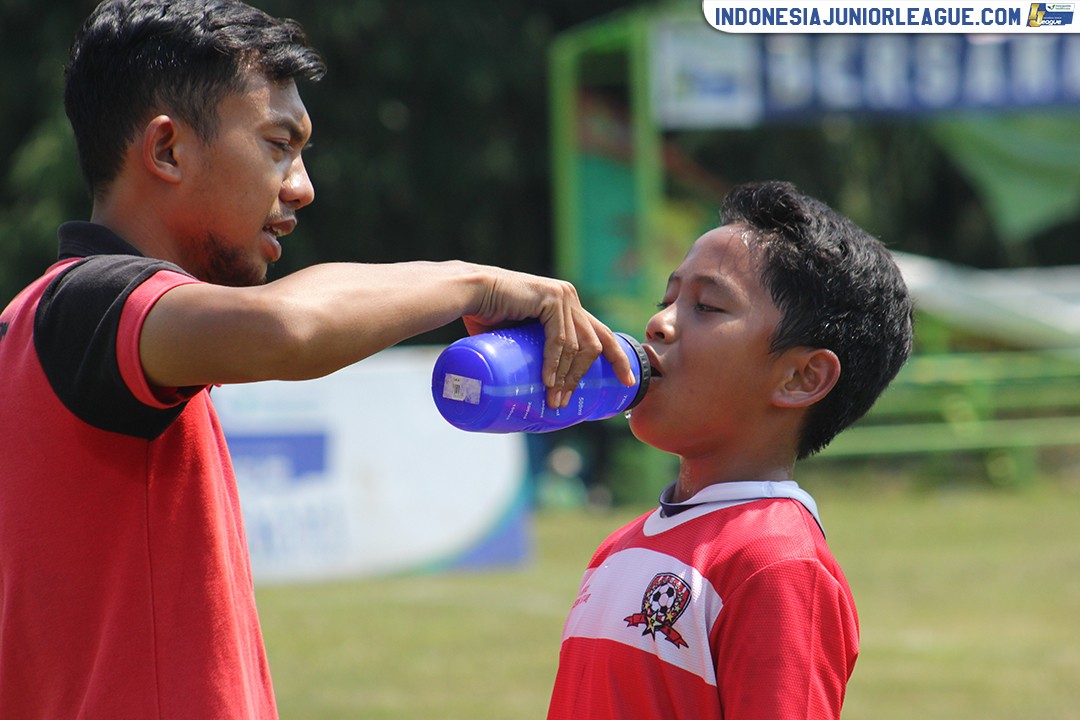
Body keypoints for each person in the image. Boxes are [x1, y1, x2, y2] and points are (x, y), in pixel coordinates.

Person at [0, 1, 635, 717]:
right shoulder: (89, 304)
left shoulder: (32, 323)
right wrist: (477, 280)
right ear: (168, 150)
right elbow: (288, 329)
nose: (301, 186)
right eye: (279, 144)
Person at [546, 181, 914, 720]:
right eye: (667, 299)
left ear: (801, 377)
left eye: (707, 306)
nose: (658, 323)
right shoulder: (619, 545)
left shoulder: (776, 563)